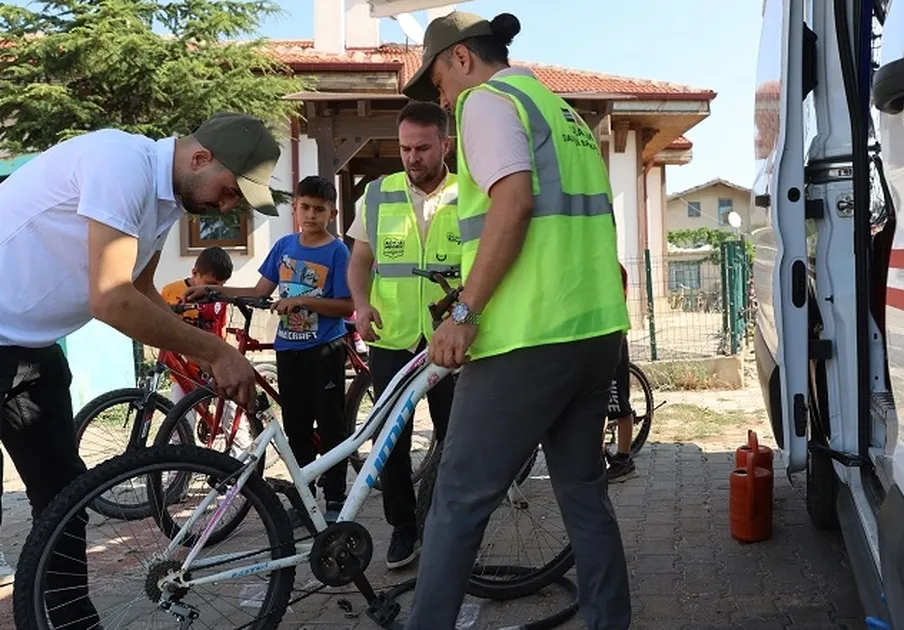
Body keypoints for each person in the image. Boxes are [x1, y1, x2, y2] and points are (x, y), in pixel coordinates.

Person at [401, 11, 632, 629]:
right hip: (594, 333)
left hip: (528, 337)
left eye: (437, 82)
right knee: (584, 493)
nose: (439, 98)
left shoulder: (486, 102)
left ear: (461, 59)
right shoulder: (563, 114)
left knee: (458, 502)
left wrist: (465, 311)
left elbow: (515, 201)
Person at [0, 112, 277, 619]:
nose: (228, 204)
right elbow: (111, 299)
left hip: (28, 349)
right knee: (58, 498)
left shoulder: (167, 200)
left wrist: (197, 350)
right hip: (9, 342)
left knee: (63, 499)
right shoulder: (120, 164)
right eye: (230, 190)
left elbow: (142, 290)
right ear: (199, 158)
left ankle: (72, 622)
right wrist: (218, 351)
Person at [188, 175, 354, 523]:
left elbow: (345, 305)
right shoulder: (283, 247)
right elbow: (261, 290)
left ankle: (336, 502)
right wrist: (216, 291)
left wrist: (304, 301)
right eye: (304, 207)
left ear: (332, 213)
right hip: (288, 351)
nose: (310, 215)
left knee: (331, 426)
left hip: (324, 349)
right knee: (295, 429)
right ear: (294, 208)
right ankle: (304, 502)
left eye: (319, 209)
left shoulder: (337, 251)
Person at [346, 101, 460, 569]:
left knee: (457, 439)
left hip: (454, 337)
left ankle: (450, 527)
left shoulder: (471, 193)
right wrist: (360, 303)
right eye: (405, 148)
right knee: (391, 439)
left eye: (423, 148)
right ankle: (402, 528)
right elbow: (359, 262)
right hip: (393, 337)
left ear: (445, 145)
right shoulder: (377, 193)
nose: (412, 158)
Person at [160, 245, 235, 403]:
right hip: (183, 370)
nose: (215, 289)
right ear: (194, 273)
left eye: (220, 285)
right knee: (181, 422)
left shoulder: (220, 296)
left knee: (228, 414)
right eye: (210, 283)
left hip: (213, 367)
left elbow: (220, 329)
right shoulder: (170, 291)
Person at [605, 262, 637, 482]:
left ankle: (624, 460)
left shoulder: (613, 269)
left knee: (618, 404)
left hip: (612, 337)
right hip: (595, 340)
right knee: (599, 407)